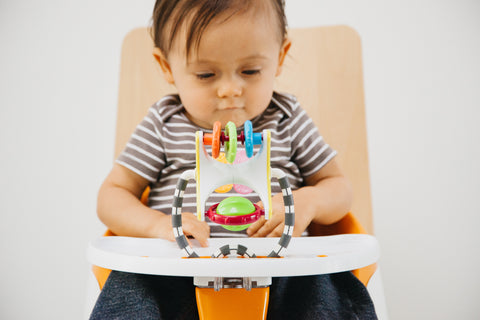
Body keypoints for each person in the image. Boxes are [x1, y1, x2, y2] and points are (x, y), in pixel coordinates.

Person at [90, 0, 377, 319]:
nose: (229, 89)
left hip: (284, 271)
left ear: (279, 57)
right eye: (206, 74)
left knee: (331, 288)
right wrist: (158, 226)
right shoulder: (164, 123)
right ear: (167, 67)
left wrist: (307, 202)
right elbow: (111, 197)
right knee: (129, 288)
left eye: (250, 71)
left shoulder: (287, 119)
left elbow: (339, 188)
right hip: (174, 273)